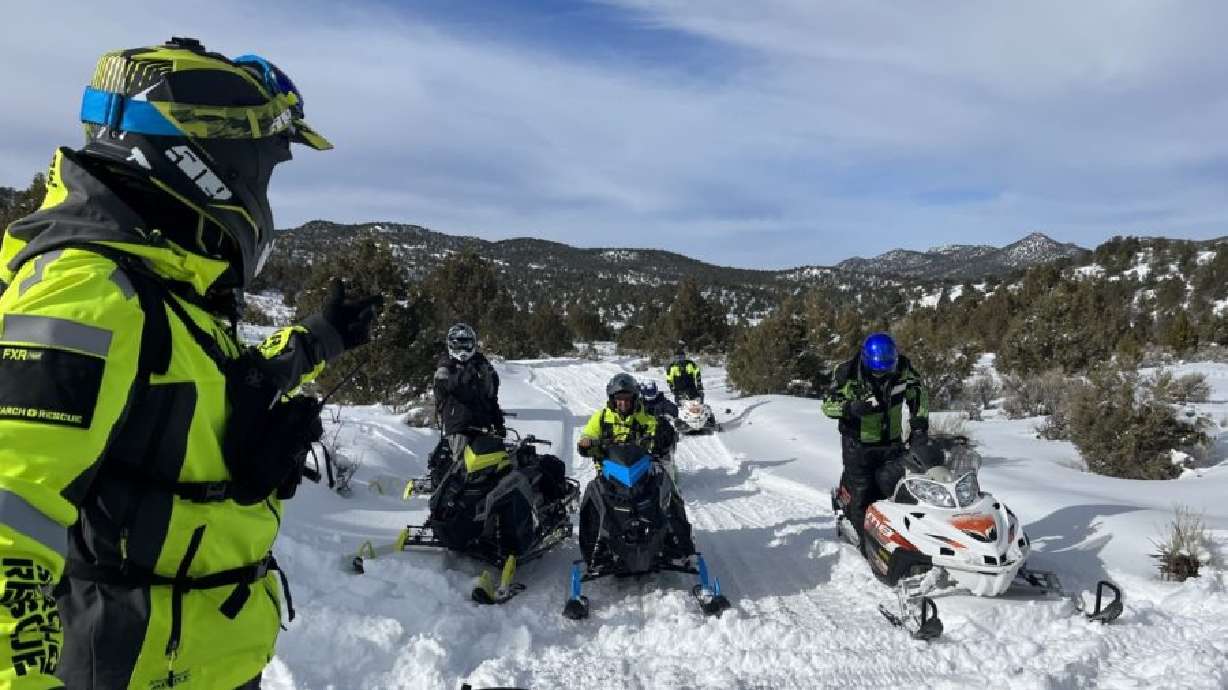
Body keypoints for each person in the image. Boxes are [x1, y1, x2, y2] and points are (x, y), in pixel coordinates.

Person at [0, 38, 381, 689]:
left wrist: (316, 342)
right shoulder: (89, 289)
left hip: (194, 660)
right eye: (258, 170)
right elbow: (10, 511)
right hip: (126, 667)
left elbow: (225, 379)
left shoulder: (163, 287)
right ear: (203, 158)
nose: (262, 192)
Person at [821, 332, 929, 544]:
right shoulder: (847, 373)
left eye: (887, 369)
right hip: (858, 445)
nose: (882, 374)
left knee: (897, 489)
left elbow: (918, 395)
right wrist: (850, 408)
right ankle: (864, 539)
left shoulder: (903, 371)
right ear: (866, 360)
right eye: (877, 370)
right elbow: (827, 405)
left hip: (892, 442)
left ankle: (902, 538)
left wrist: (919, 427)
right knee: (863, 494)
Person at [576, 373, 691, 556]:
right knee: (592, 496)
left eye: (627, 399)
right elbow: (588, 435)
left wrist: (663, 434)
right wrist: (586, 443)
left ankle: (680, 542)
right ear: (612, 399)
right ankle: (592, 549)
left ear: (635, 398)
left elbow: (657, 428)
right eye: (619, 399)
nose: (623, 403)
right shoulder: (601, 418)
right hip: (609, 474)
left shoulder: (642, 415)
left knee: (668, 490)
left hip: (641, 471)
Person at [433, 323, 504, 462]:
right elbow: (448, 387)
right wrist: (467, 374)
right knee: (461, 466)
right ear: (451, 345)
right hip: (459, 427)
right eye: (458, 344)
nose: (462, 349)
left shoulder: (481, 364)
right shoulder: (446, 365)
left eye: (466, 344)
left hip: (484, 426)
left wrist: (498, 422)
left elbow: (491, 397)